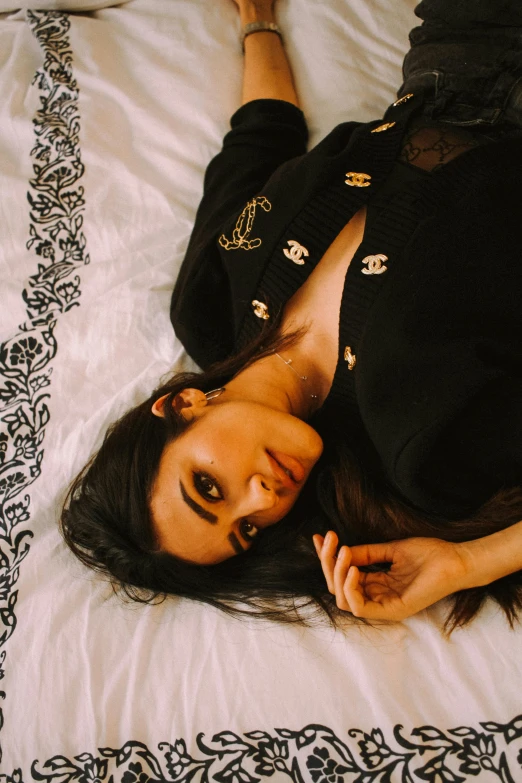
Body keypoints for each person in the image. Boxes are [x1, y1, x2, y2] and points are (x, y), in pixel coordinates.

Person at [61, 0, 522, 631]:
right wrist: (469, 564)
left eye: (209, 488)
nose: (263, 498)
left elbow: (259, 139)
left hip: (459, 42)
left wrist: (258, 24)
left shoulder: (206, 307)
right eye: (246, 530)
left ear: (180, 406)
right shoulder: (418, 452)